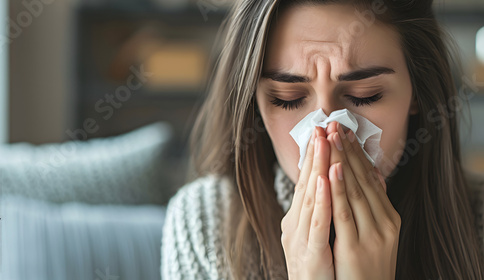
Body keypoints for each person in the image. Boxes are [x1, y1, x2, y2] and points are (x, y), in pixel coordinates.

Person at [161, 0, 484, 279]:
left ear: (417, 91)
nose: (327, 133)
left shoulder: (478, 223)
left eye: (365, 95)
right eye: (287, 99)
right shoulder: (205, 225)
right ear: (255, 106)